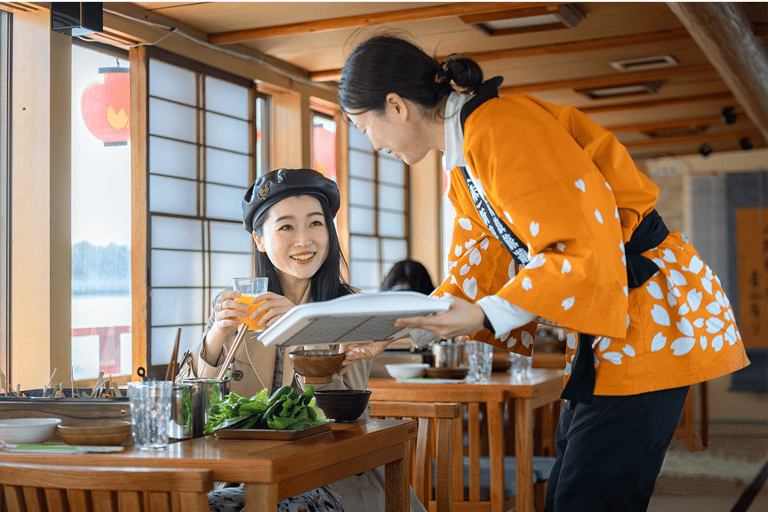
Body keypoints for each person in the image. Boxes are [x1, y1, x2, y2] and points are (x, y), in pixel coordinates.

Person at [338, 34, 750, 512]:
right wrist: (388, 332)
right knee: (570, 489)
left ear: (395, 106)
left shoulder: (500, 127)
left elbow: (578, 244)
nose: (371, 144)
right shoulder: (464, 159)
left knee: (589, 495)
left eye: (362, 126)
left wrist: (484, 315)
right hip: (611, 321)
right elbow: (477, 266)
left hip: (648, 310)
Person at [188, 168, 427, 512]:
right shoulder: (238, 307)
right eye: (286, 227)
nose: (304, 240)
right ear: (259, 239)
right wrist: (215, 338)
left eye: (316, 224)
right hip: (250, 477)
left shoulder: (351, 307)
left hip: (334, 478)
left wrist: (301, 327)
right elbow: (189, 415)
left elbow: (346, 415)